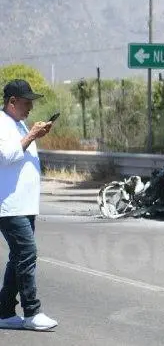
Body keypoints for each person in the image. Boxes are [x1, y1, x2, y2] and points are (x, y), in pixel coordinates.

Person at [0, 80, 58, 331]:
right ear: (12, 101)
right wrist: (32, 134)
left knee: (19, 257)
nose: (30, 108)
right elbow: (7, 156)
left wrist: (34, 133)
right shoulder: (1, 123)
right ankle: (32, 311)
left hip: (24, 205)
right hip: (8, 205)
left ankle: (3, 312)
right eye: (26, 102)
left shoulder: (17, 123)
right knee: (26, 254)